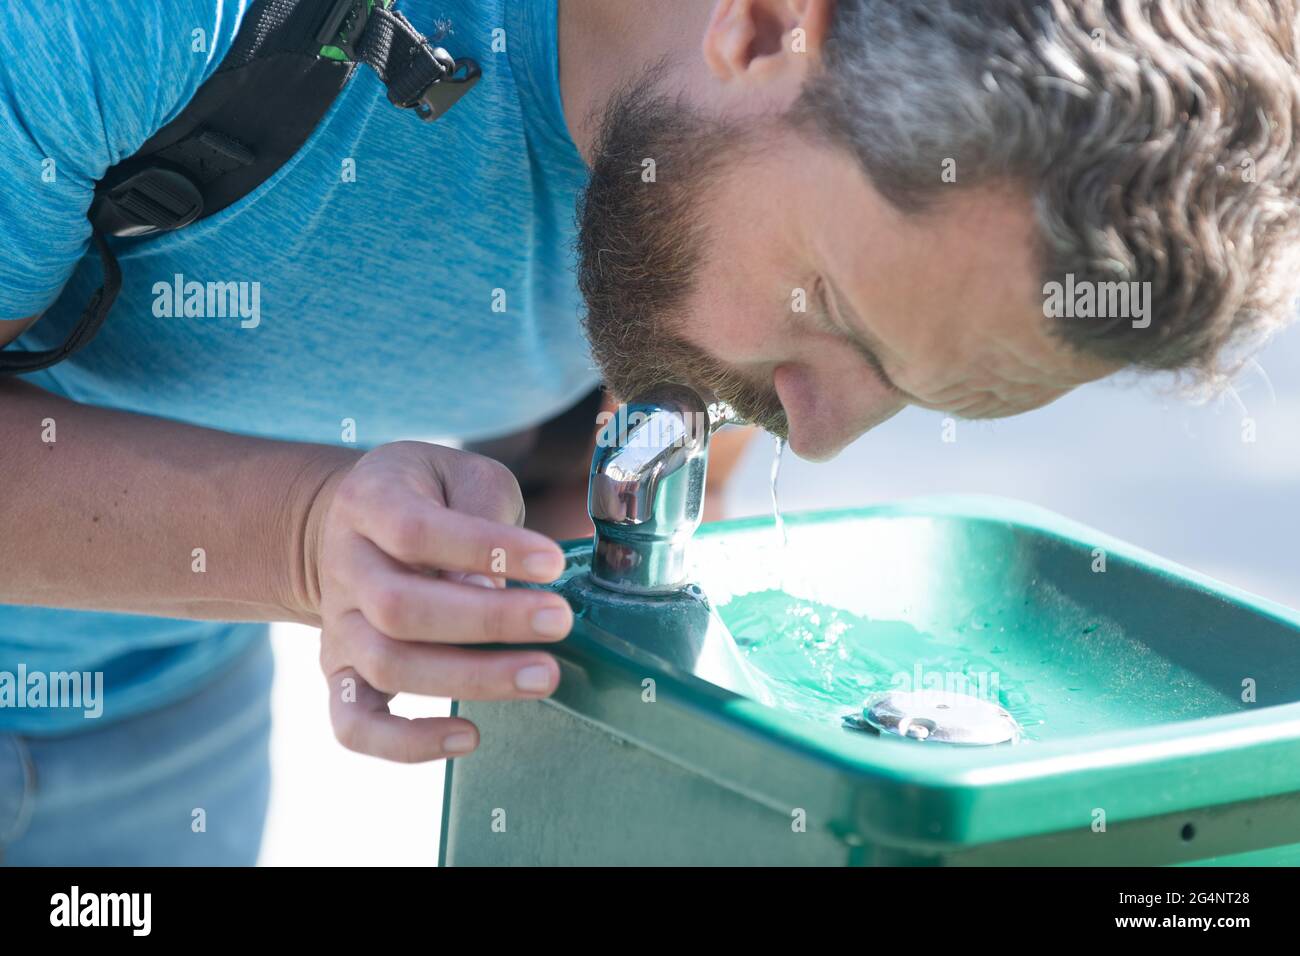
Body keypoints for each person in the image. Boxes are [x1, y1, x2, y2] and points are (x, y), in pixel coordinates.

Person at [1, 0, 1297, 864]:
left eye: (911, 392)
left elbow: (580, 448)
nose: (824, 437)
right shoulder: (149, 23)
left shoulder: (728, 204)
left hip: (148, 718)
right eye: (843, 319)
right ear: (773, 25)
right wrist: (295, 539)